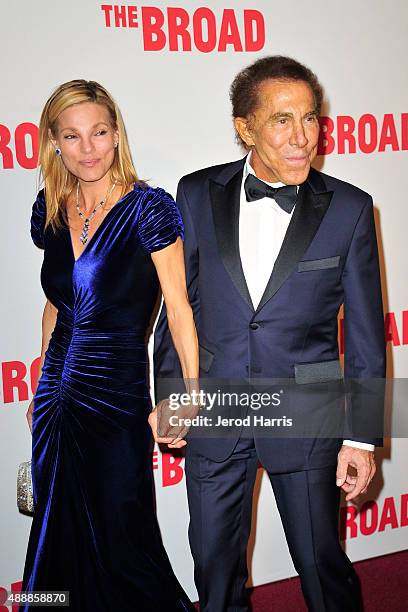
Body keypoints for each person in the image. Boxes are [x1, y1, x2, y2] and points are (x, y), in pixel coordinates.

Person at [154, 56, 386, 611]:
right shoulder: (194, 194)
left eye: (311, 118)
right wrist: (169, 393)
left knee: (322, 570)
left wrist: (360, 436)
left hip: (306, 418)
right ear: (246, 128)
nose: (303, 137)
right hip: (215, 411)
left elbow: (365, 331)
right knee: (214, 571)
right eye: (283, 120)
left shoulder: (350, 208)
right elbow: (176, 309)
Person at [22, 79, 197, 612]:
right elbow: (55, 307)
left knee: (125, 535)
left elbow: (180, 308)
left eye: (99, 132)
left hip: (117, 393)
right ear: (54, 142)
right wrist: (38, 388)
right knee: (56, 529)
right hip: (56, 394)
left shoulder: (148, 209)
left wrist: (189, 393)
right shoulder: (51, 209)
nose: (88, 148)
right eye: (72, 137)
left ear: (117, 134)